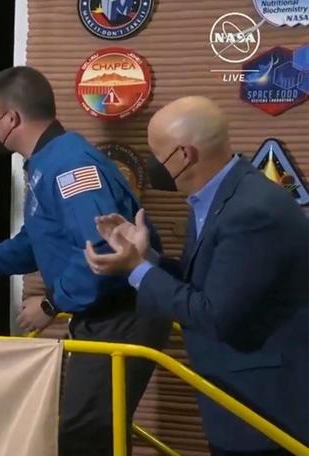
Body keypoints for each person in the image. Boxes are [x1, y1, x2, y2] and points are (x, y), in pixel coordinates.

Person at [0, 66, 172, 455]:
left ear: (10, 119)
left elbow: (102, 248)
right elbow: (40, 239)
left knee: (85, 436)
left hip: (121, 316)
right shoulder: (48, 161)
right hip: (103, 317)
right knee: (93, 431)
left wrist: (51, 304)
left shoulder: (69, 165)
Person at [84, 96, 309, 455]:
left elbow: (214, 314)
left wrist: (137, 270)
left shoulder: (250, 212)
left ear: (183, 155)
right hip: (236, 403)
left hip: (267, 412)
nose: (152, 164)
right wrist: (147, 256)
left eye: (156, 154)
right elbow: (207, 282)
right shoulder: (218, 197)